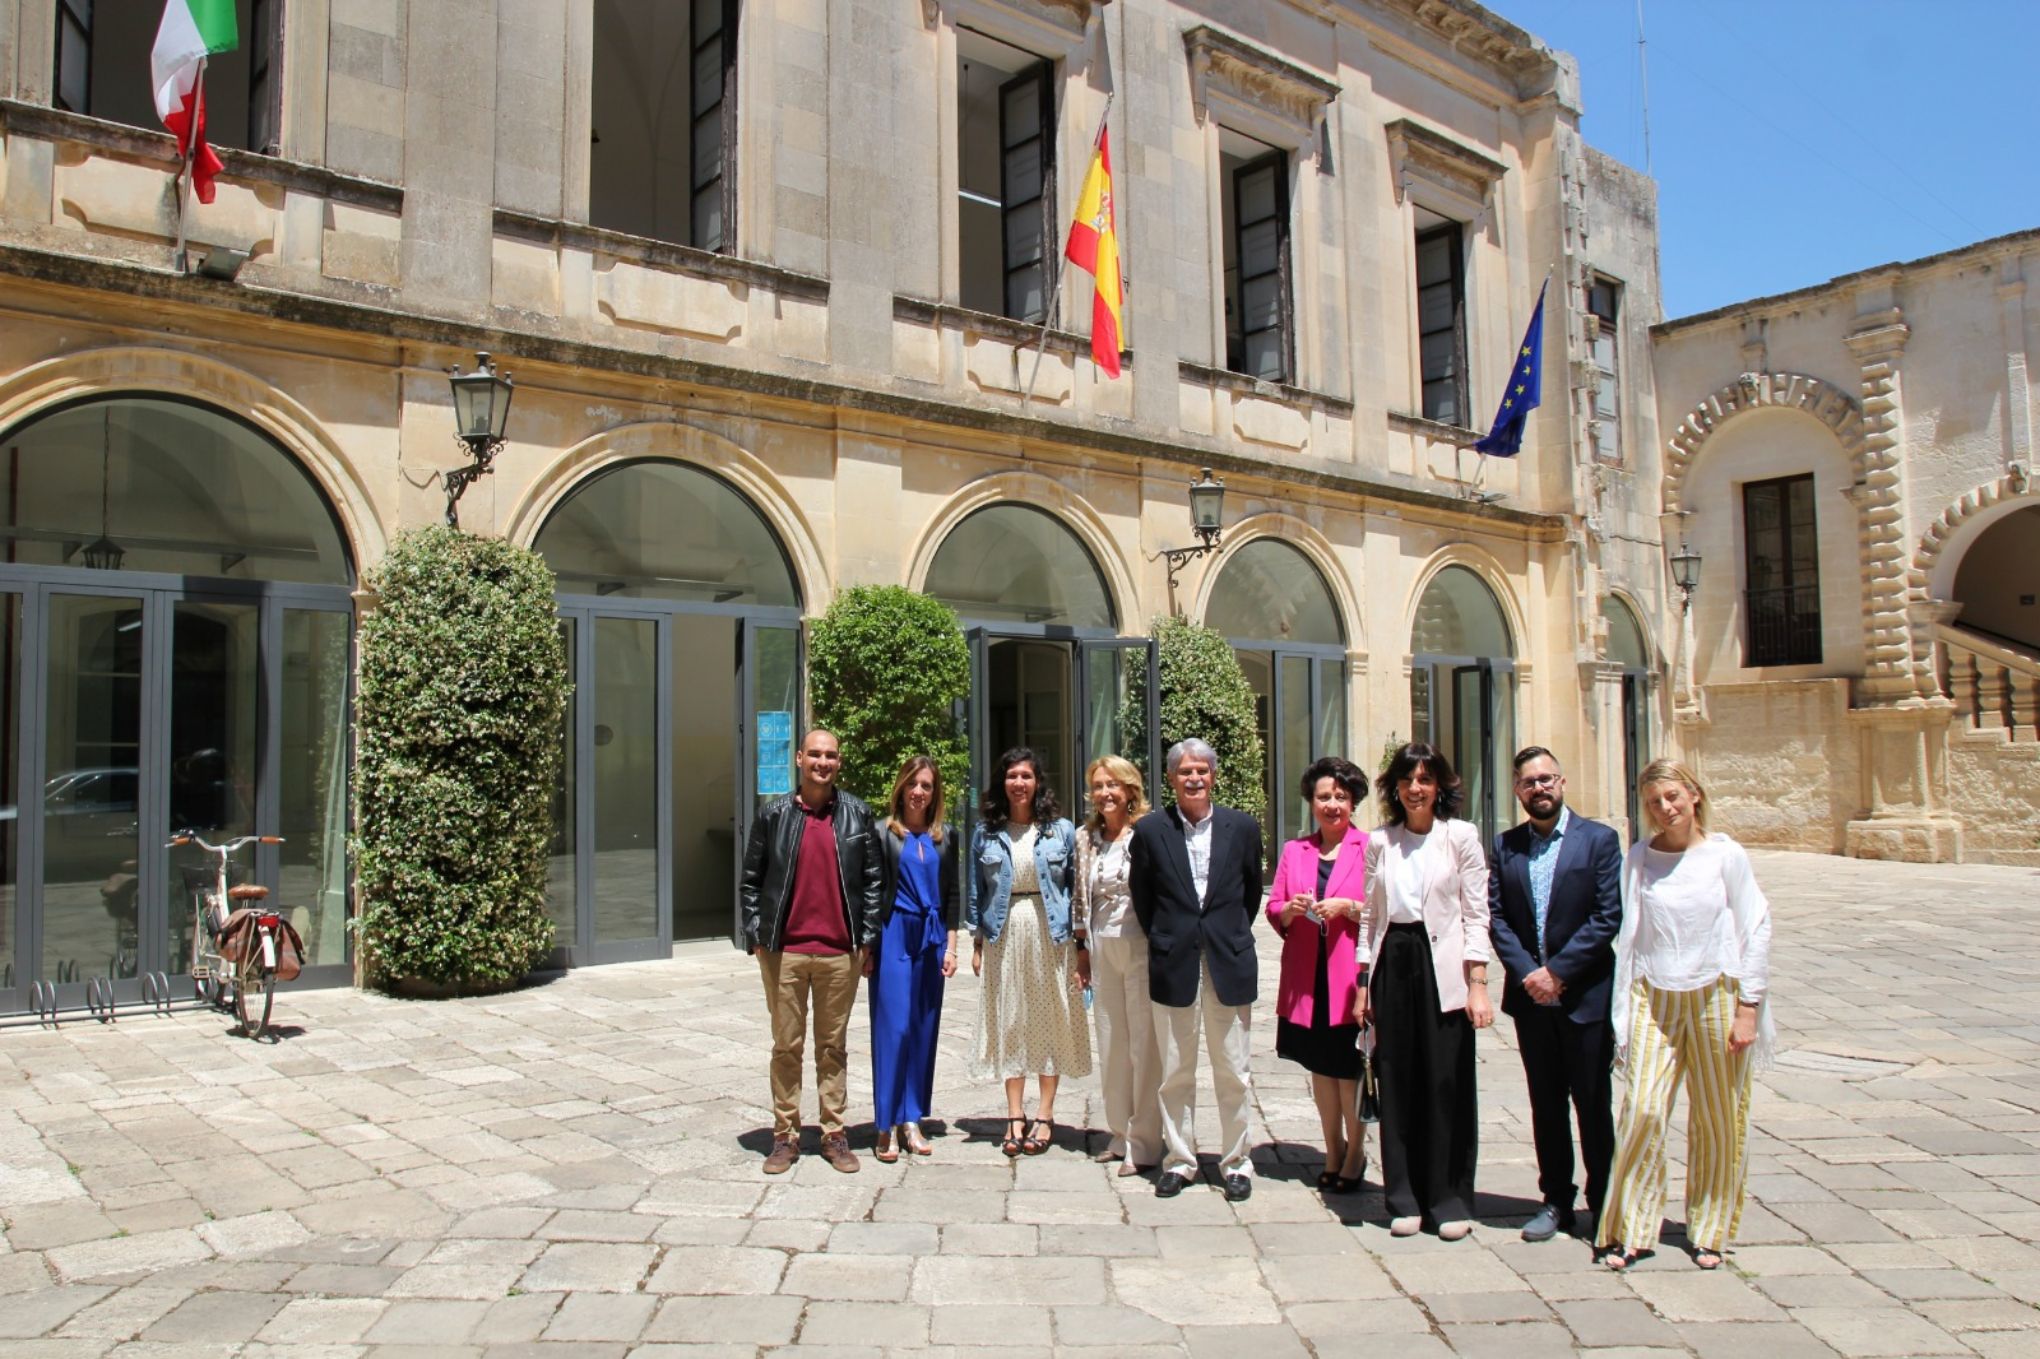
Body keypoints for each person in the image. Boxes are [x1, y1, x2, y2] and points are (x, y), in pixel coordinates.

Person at [1599, 759, 1774, 1272]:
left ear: (1694, 795)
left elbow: (1756, 927)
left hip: (1717, 994)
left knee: (1718, 1117)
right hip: (1656, 995)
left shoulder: (1725, 857)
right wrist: (1623, 1016)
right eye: (1654, 801)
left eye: (1673, 796)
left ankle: (1709, 1230)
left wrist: (1750, 1008)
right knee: (1643, 1110)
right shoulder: (1639, 859)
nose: (1665, 808)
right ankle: (1633, 1228)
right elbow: (1628, 940)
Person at [1488, 746, 1623, 1243]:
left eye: (1546, 779)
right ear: (1518, 790)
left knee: (1592, 1102)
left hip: (1584, 995)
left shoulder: (1599, 841)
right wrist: (1529, 974)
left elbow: (1607, 916)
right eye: (1528, 782)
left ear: (1562, 783)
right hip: (1531, 999)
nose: (1538, 788)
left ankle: (1606, 1203)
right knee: (1545, 1103)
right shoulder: (1506, 846)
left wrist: (1558, 972)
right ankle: (1555, 1201)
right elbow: (1497, 918)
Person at [1357, 741, 1492, 1239]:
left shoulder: (1460, 838)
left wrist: (1477, 983)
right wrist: (1363, 982)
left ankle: (1450, 1198)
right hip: (1395, 960)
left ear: (1440, 787)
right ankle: (1404, 1197)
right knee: (1397, 1079)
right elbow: (1369, 916)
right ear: (1395, 787)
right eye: (1408, 780)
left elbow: (1476, 912)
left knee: (1445, 1081)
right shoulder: (1380, 842)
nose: (1417, 789)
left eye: (1426, 779)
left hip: (1444, 965)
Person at [739, 728, 885, 1175]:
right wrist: (757, 935)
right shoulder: (774, 815)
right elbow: (751, 879)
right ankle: (784, 1135)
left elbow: (875, 882)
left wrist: (867, 939)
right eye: (815, 754)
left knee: (832, 1046)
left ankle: (834, 1133)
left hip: (840, 952)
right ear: (799, 758)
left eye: (831, 756)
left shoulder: (858, 815)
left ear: (839, 762)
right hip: (785, 951)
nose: (823, 762)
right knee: (787, 1045)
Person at [1129, 738, 1265, 1201]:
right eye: (1185, 771)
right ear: (1171, 778)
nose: (1194, 779)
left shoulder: (1242, 828)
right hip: (1174, 961)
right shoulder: (1150, 831)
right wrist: (1174, 937)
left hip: (1228, 959)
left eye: (1202, 771)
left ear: (1213, 775)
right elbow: (1143, 899)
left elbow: (1250, 896)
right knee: (1175, 1071)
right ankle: (1181, 1160)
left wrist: (1222, 935)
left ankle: (1236, 1163)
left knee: (1233, 1069)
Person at [967, 747, 1092, 1157]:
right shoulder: (985, 832)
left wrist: (1080, 944)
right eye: (1011, 776)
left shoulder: (1061, 831)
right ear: (1001, 783)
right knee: (1012, 1020)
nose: (1018, 783)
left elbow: (1075, 890)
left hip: (1049, 931)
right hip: (1004, 934)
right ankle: (1014, 1114)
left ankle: (1045, 1113)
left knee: (1050, 1016)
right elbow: (976, 890)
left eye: (1026, 775)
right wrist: (977, 942)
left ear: (1038, 782)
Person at [1268, 756, 1370, 1194]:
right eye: (1324, 797)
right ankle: (1331, 1149)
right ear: (1312, 801)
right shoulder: (1296, 850)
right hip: (1307, 979)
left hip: (1349, 977)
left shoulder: (1371, 847)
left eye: (1341, 797)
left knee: (1348, 1071)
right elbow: (1274, 906)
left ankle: (1356, 1153)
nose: (1332, 805)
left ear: (1353, 802)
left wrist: (1349, 908)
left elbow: (1384, 910)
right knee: (1320, 1071)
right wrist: (1289, 911)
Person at [1071, 755, 1161, 1177]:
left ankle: (1145, 1141)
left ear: (1130, 790)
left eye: (1113, 785)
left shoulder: (1148, 832)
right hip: (1102, 945)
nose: (1105, 792)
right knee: (1111, 1043)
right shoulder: (1085, 838)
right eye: (1098, 785)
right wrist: (1081, 949)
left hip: (1140, 944)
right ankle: (1118, 1131)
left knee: (1144, 1045)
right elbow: (1078, 897)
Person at [869, 756, 962, 1163]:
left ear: (934, 791)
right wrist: (867, 948)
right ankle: (885, 1123)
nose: (918, 792)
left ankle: (911, 1118)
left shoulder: (946, 837)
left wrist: (952, 946)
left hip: (932, 936)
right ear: (901, 787)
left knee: (924, 1028)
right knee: (895, 1026)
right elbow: (870, 892)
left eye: (926, 785)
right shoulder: (883, 833)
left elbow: (954, 894)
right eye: (912, 784)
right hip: (894, 933)